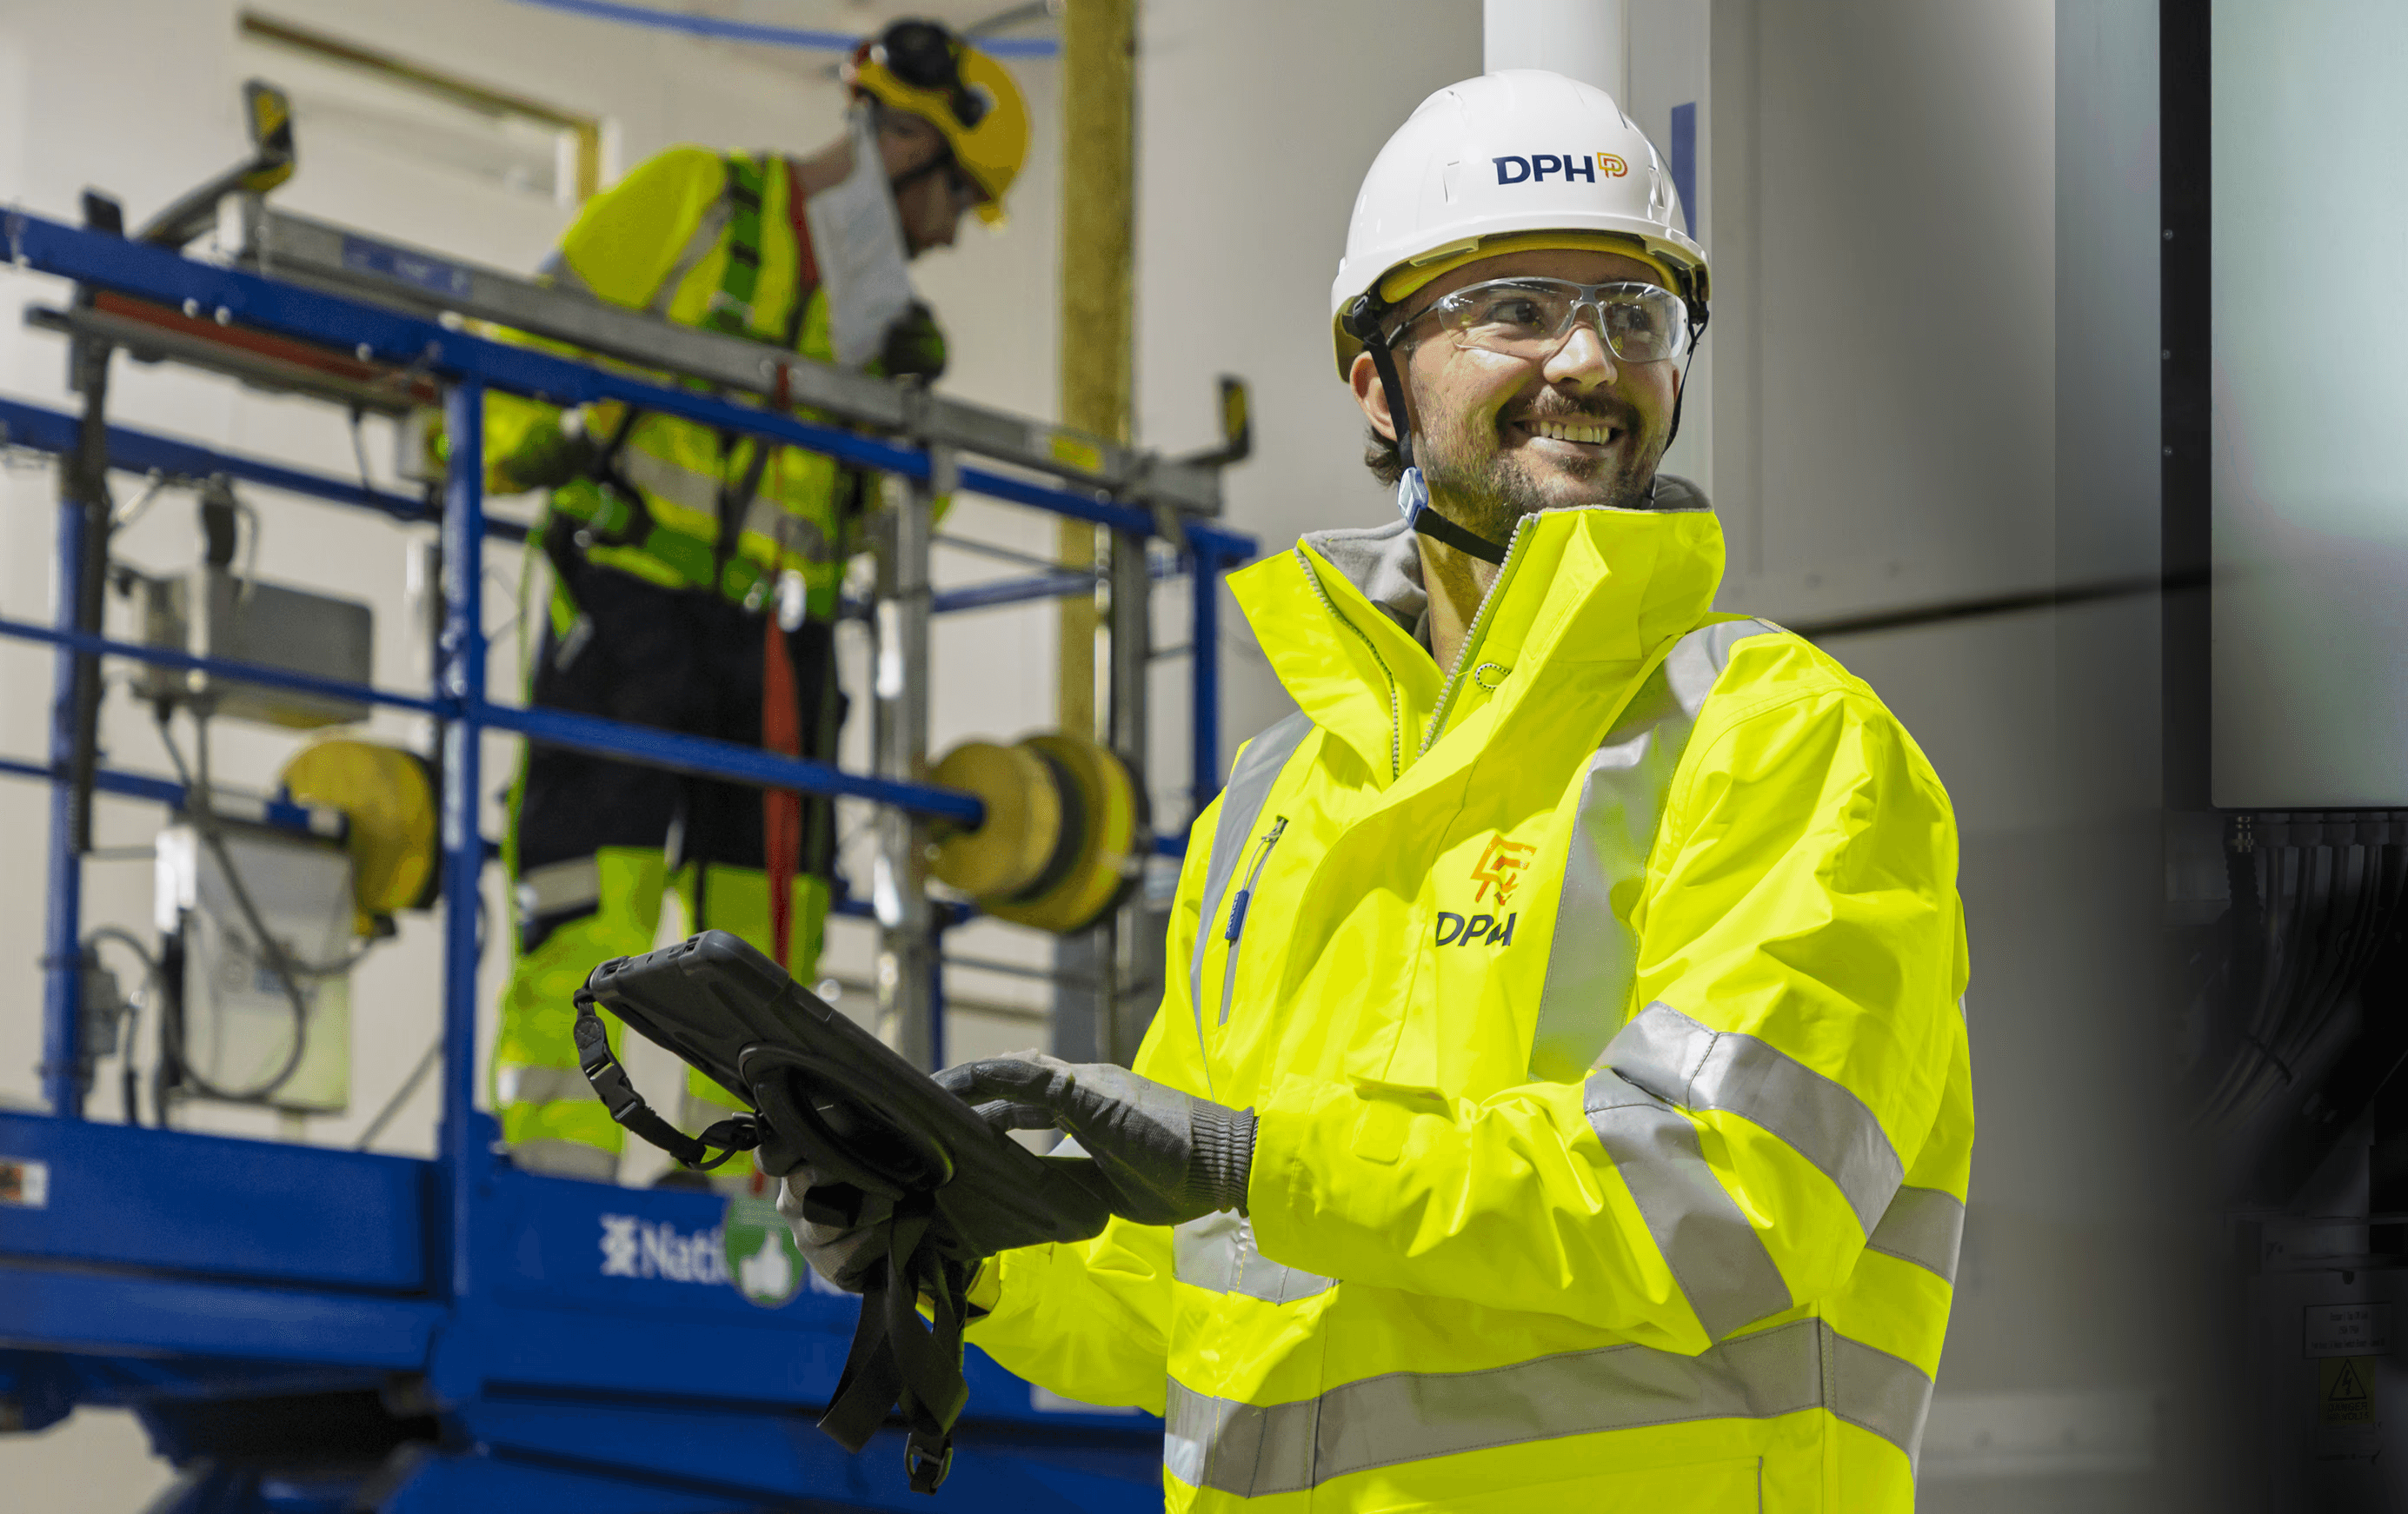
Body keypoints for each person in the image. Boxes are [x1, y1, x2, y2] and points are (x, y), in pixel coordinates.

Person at [815, 71, 1978, 1511]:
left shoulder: (1781, 741)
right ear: (1375, 376)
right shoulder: (1273, 804)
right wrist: (954, 1237)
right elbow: (1191, 1295)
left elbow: (1723, 1200)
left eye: (1636, 316)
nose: (1588, 362)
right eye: (1517, 309)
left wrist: (1258, 1160)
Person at [477, 19, 1028, 1179]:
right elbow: (519, 344)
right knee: (593, 889)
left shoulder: (881, 330)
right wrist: (500, 451)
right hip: (626, 601)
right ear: (909, 146)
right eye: (956, 201)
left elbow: (880, 528)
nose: (945, 237)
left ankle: (733, 1187)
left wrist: (913, 445)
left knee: (764, 943)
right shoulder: (695, 203)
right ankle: (560, 1168)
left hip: (776, 646)